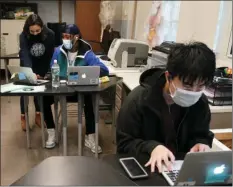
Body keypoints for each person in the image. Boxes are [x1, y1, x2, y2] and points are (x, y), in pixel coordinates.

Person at [116, 42, 216, 173]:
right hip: (147, 168)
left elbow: (202, 134)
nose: (193, 91)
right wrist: (152, 147)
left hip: (181, 170)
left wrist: (201, 144)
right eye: (187, 86)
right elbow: (124, 144)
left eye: (200, 86)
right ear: (168, 77)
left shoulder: (200, 102)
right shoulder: (138, 101)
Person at [42, 24, 109, 151]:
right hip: (61, 90)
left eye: (68, 37)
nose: (65, 40)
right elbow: (52, 70)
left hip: (79, 92)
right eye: (63, 37)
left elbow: (104, 70)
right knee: (44, 99)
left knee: (90, 99)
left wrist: (87, 71)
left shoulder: (87, 52)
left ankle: (90, 136)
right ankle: (51, 132)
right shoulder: (58, 51)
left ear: (76, 37)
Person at [19, 14, 55, 131]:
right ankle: (23, 116)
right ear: (28, 29)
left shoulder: (50, 34)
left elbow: (49, 55)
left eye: (37, 31)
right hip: (26, 65)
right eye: (32, 31)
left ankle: (38, 115)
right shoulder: (23, 36)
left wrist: (44, 72)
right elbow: (24, 54)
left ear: (42, 27)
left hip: (42, 65)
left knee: (40, 92)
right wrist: (30, 71)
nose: (35, 33)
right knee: (23, 91)